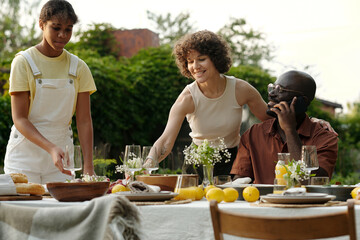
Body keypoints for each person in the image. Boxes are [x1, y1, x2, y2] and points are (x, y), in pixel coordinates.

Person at [149, 30, 272, 177]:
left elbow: (271, 121)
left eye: (201, 59)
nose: (195, 66)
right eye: (190, 61)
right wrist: (147, 164)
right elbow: (165, 141)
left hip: (234, 163)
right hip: (196, 166)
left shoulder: (241, 89)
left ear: (215, 59)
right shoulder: (187, 98)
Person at [4, 0, 96, 184]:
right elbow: (20, 118)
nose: (62, 35)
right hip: (24, 157)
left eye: (68, 29)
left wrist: (88, 167)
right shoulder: (23, 62)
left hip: (63, 160)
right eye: (56, 28)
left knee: (63, 212)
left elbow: (84, 120)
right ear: (41, 24)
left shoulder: (79, 67)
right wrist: (50, 148)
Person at [230, 70, 338, 184]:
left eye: (280, 90)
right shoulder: (253, 134)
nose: (271, 94)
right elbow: (240, 180)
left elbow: (312, 181)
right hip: (262, 201)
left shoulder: (324, 137)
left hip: (304, 202)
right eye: (273, 87)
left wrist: (290, 130)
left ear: (302, 101)